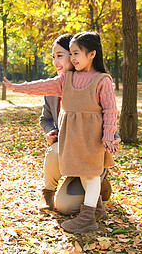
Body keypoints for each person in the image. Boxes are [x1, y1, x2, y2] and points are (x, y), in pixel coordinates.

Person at [4, 31, 119, 233]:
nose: (73, 58)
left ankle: (87, 218)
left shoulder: (102, 80)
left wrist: (109, 136)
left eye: (75, 54)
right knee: (85, 176)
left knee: (90, 176)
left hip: (91, 139)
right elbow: (43, 85)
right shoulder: (68, 79)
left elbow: (110, 110)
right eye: (71, 54)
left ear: (92, 54)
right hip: (74, 139)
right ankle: (98, 209)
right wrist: (18, 88)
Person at [38, 34, 115, 215]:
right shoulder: (53, 88)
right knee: (55, 149)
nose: (56, 61)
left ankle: (99, 180)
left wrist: (112, 137)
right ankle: (47, 192)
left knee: (66, 207)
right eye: (53, 57)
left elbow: (109, 116)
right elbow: (45, 118)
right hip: (66, 152)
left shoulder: (94, 83)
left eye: (61, 55)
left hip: (89, 155)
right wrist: (51, 131)